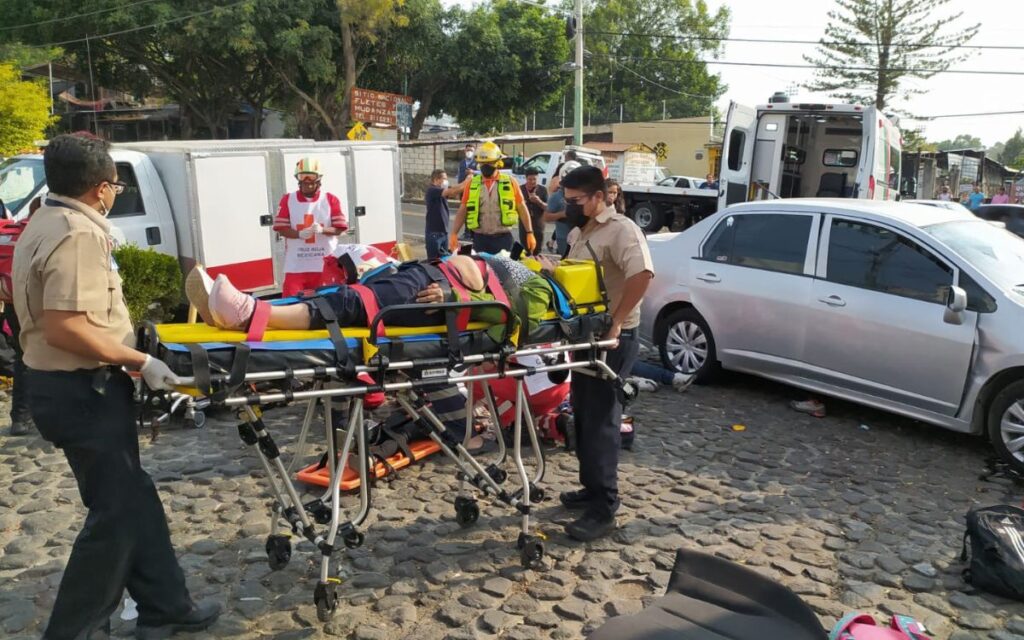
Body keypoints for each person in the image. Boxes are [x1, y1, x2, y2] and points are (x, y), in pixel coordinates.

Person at [12, 134, 220, 640]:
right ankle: (71, 631)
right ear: (103, 189)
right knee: (116, 515)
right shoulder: (78, 233)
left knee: (133, 497)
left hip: (60, 386)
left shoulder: (40, 221)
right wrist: (140, 359)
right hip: (83, 391)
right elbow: (66, 326)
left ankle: (166, 605)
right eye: (115, 187)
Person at [538, 165, 653, 542]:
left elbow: (642, 275)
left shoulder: (621, 231)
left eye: (575, 201)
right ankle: (590, 487)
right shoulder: (582, 230)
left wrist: (618, 322)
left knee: (603, 421)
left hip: (613, 339)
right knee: (583, 415)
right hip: (586, 336)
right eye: (565, 200)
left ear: (600, 197)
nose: (567, 206)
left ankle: (604, 506)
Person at [273, 158, 348, 297]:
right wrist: (299, 234)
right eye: (303, 176)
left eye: (311, 176)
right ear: (298, 179)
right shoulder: (288, 199)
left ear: (319, 179)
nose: (307, 181)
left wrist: (322, 230)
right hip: (296, 266)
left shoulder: (330, 199)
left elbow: (341, 228)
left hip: (326, 266)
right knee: (291, 305)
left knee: (329, 305)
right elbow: (281, 228)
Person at [450, 141, 536, 255]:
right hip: (480, 239)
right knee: (482, 271)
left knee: (503, 271)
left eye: (489, 163)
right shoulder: (472, 183)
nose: (485, 166)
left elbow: (522, 208)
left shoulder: (510, 182)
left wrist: (529, 232)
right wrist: (454, 234)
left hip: (503, 239)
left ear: (497, 162)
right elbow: (463, 209)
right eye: (482, 163)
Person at [6, 195, 42, 436]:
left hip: (10, 301)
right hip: (35, 303)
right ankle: (32, 414)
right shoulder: (41, 235)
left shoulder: (15, 230)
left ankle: (21, 416)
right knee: (40, 356)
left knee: (23, 357)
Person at [424, 169, 468, 261]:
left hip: (443, 233)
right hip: (434, 234)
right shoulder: (432, 190)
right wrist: (468, 181)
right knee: (434, 262)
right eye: (444, 179)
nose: (446, 181)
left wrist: (466, 182)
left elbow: (455, 189)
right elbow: (452, 192)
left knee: (445, 261)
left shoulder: (441, 190)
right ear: (436, 179)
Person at [544, 151, 582, 257]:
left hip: (581, 239)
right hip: (563, 238)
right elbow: (546, 217)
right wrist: (562, 214)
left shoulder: (586, 197)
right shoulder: (556, 197)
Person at [521, 168, 548, 249]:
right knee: (526, 249)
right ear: (525, 178)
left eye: (534, 179)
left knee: (537, 249)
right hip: (524, 224)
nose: (532, 181)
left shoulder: (542, 190)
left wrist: (539, 201)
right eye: (530, 179)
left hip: (538, 224)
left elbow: (548, 208)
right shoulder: (520, 189)